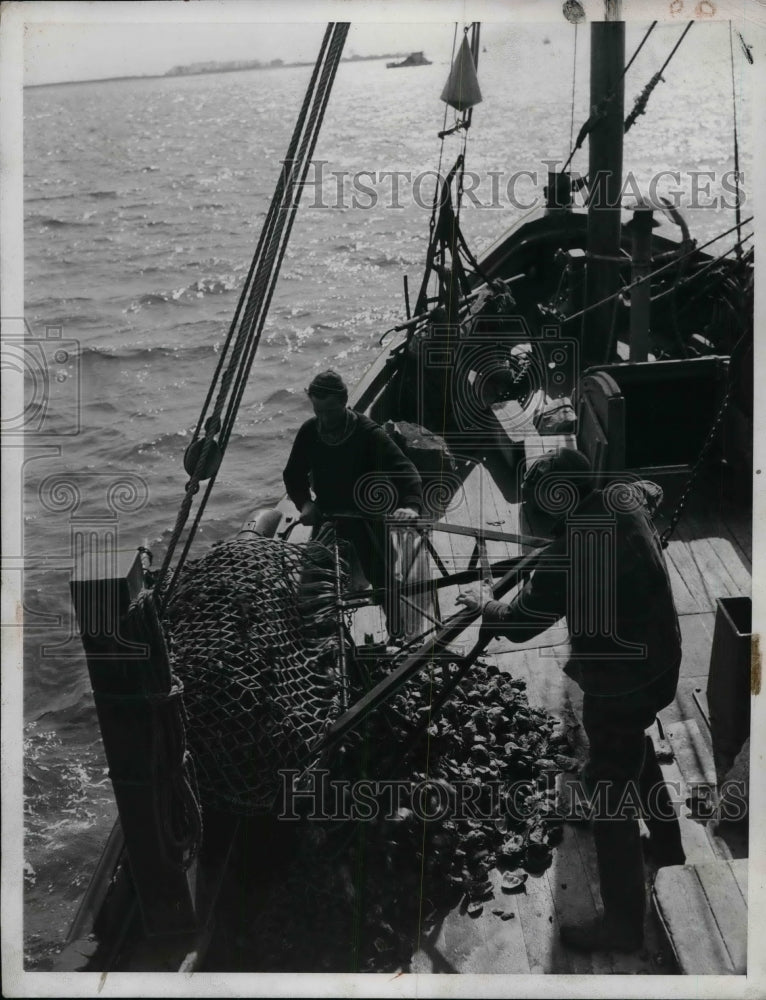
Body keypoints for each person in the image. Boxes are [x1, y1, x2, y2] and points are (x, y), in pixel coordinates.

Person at [456, 446, 686, 953]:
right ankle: (669, 848)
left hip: (619, 684)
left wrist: (482, 602)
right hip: (663, 660)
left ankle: (624, 926)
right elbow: (653, 489)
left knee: (608, 792)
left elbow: (515, 625)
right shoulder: (622, 496)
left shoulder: (566, 557)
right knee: (632, 746)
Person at [283, 370, 423, 631]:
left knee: (384, 583)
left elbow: (406, 471)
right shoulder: (310, 431)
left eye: (330, 411)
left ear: (345, 402)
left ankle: (398, 632)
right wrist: (305, 503)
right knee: (312, 585)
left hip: (368, 521)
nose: (324, 419)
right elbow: (293, 475)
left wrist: (410, 506)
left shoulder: (370, 434)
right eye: (317, 411)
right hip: (328, 519)